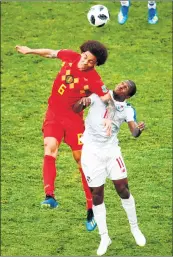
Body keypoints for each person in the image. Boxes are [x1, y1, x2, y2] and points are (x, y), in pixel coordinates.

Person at [15, 40, 109, 231]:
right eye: (85, 57)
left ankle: (91, 208)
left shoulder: (95, 80)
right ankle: (50, 196)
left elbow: (107, 100)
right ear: (81, 53)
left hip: (74, 122)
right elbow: (50, 52)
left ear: (95, 64)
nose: (85, 62)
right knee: (49, 148)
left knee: (82, 161)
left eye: (90, 62)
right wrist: (30, 50)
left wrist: (94, 104)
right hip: (54, 115)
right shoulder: (70, 56)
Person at [74, 80, 146, 255]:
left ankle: (135, 229)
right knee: (97, 194)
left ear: (127, 95)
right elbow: (76, 109)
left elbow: (134, 132)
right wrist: (82, 103)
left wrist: (138, 129)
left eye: (125, 87)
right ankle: (104, 236)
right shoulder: (99, 95)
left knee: (123, 189)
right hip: (91, 153)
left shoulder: (127, 109)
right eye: (121, 83)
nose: (121, 86)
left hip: (112, 152)